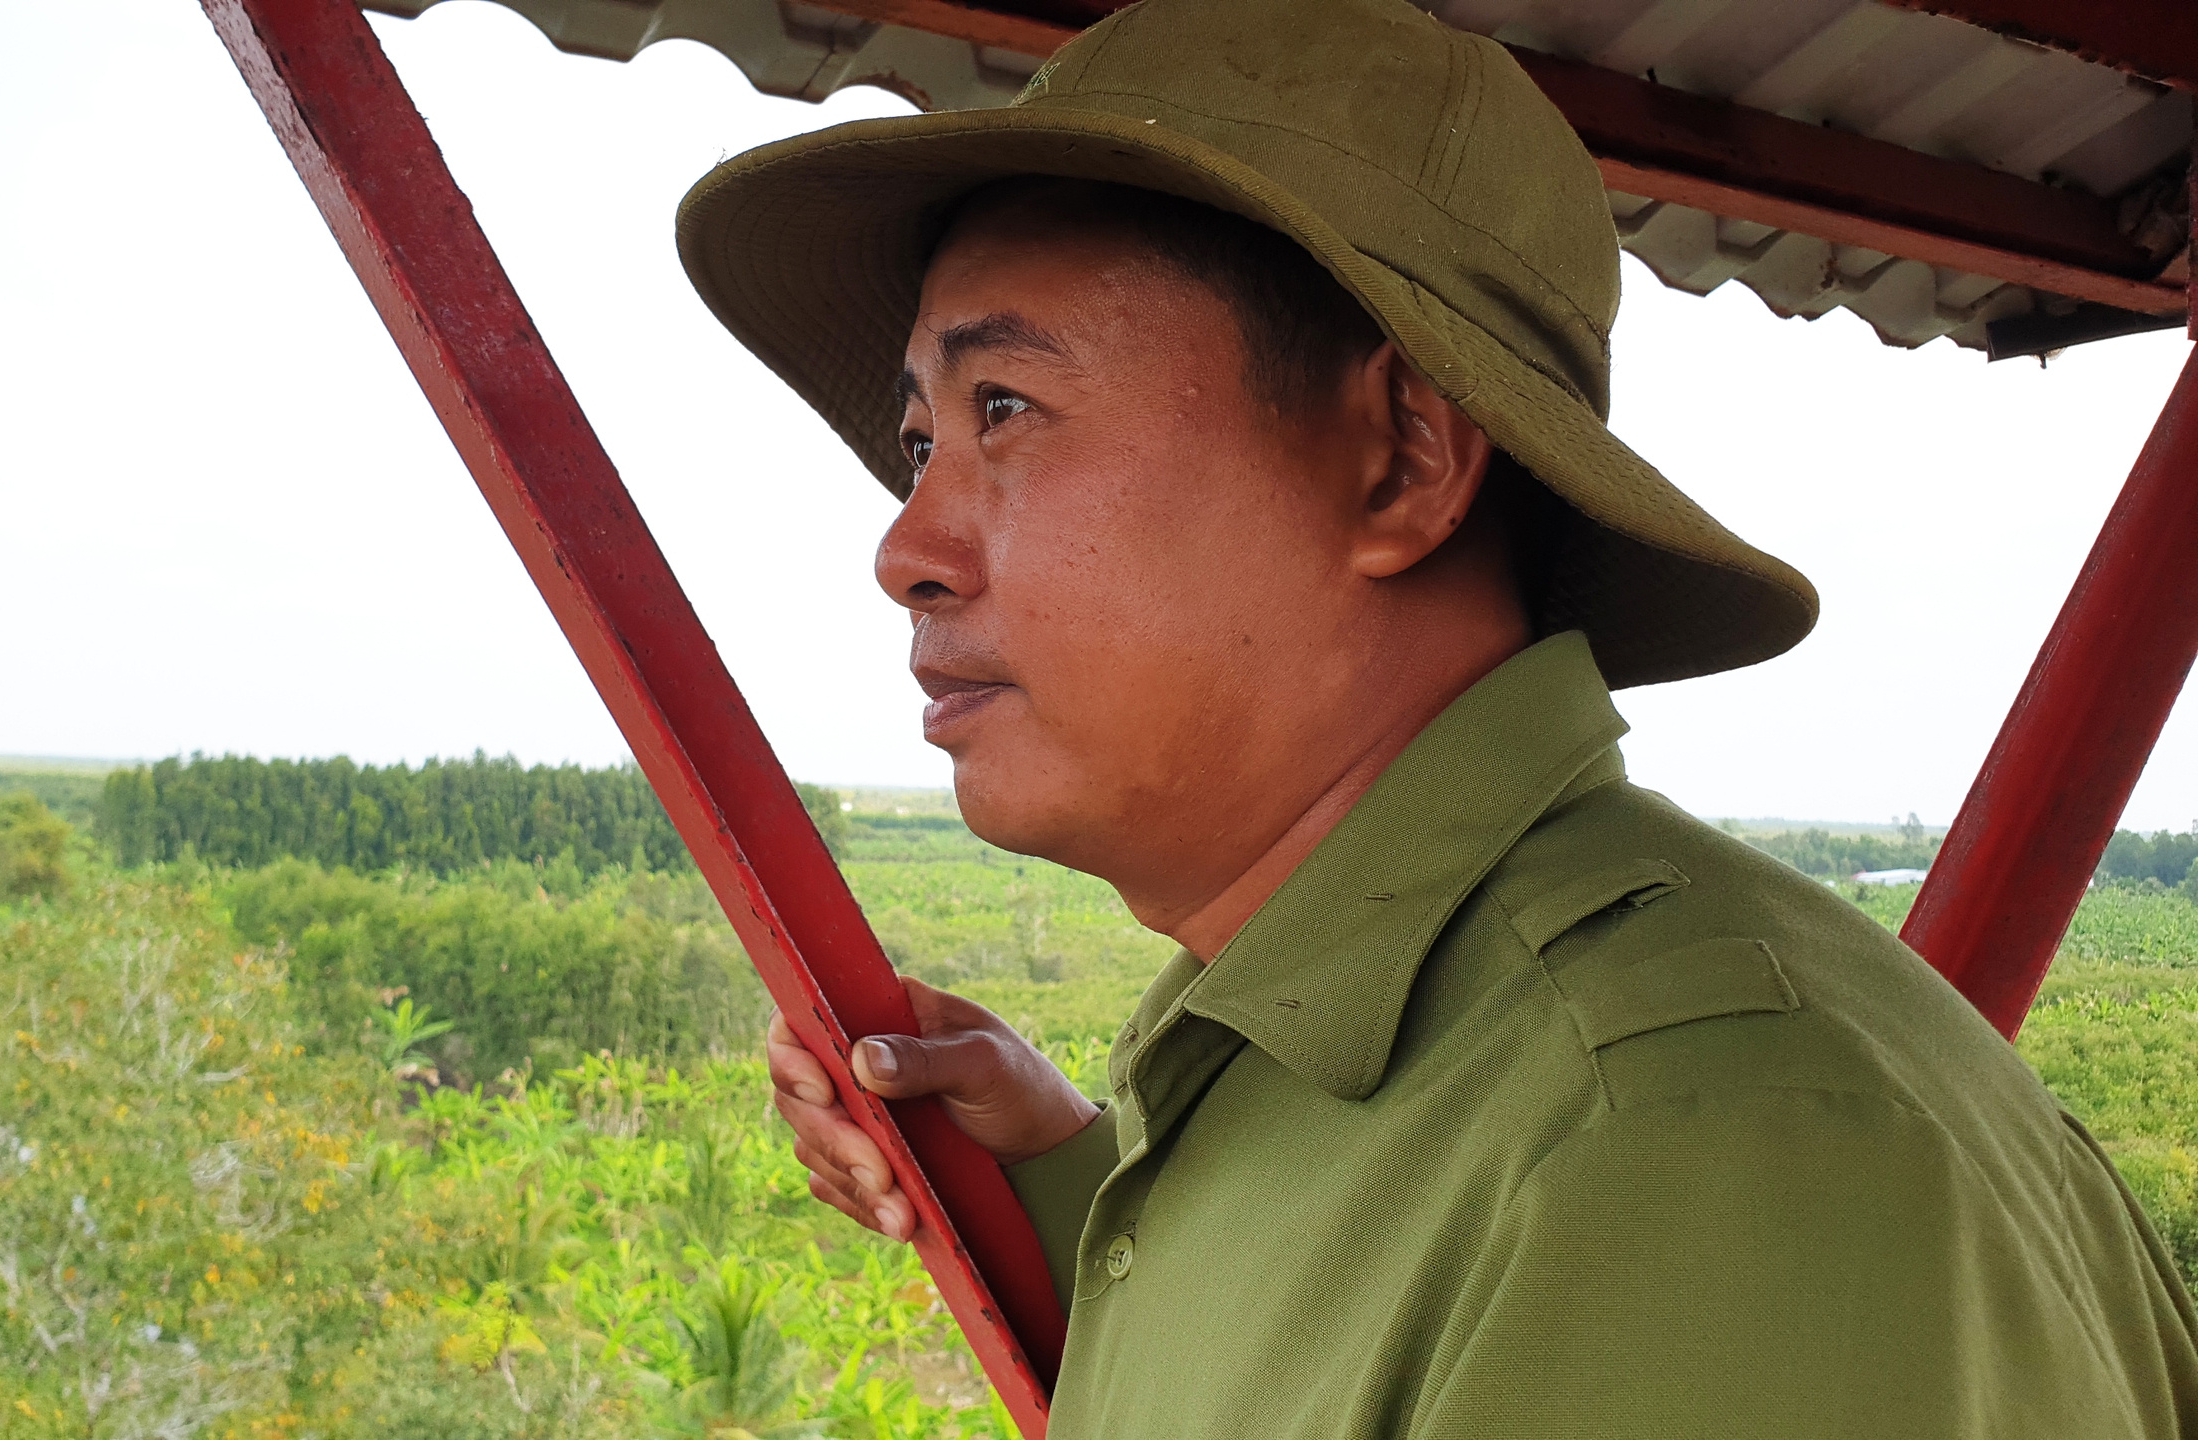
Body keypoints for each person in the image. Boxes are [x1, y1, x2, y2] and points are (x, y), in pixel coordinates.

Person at [675, 0, 2198, 1434]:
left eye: (1004, 409)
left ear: (1402, 461)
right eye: (921, 440)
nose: (906, 549)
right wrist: (1071, 1184)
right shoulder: (1417, 1077)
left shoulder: (1697, 1149)